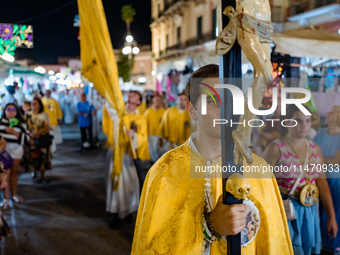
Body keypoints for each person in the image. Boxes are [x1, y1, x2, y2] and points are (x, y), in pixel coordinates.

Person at [132, 64, 293, 254]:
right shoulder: (164, 172)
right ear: (192, 110)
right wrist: (208, 227)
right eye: (213, 101)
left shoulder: (259, 169)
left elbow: (274, 244)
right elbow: (149, 247)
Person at [262, 104, 337, 255]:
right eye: (298, 121)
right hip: (285, 209)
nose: (304, 126)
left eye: (307, 121)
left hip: (309, 212)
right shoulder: (276, 148)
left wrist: (331, 218)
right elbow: (261, 184)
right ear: (287, 122)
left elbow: (322, 183)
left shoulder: (315, 149)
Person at [106, 91, 149, 229]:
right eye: (131, 94)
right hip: (117, 153)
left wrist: (134, 135)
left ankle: (129, 211)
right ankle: (117, 213)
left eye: (136, 95)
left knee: (130, 184)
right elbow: (109, 113)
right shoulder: (119, 112)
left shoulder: (140, 118)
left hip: (130, 156)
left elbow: (143, 137)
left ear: (139, 102)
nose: (132, 95)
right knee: (117, 183)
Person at [313, 105, 340, 254]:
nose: (328, 112)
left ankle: (334, 247)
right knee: (319, 216)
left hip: (336, 184)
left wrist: (316, 158)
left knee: (333, 215)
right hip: (319, 180)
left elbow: (337, 162)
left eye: (334, 111)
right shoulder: (320, 133)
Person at [0, 104, 29, 209]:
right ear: (5, 111)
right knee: (4, 175)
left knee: (14, 173)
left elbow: (26, 138)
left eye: (14, 109)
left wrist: (13, 132)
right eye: (9, 109)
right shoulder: (0, 122)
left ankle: (14, 194)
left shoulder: (21, 123)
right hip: (3, 152)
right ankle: (6, 198)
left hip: (16, 150)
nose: (11, 111)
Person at [26, 97, 51, 183]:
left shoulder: (44, 115)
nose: (33, 105)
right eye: (32, 103)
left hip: (42, 139)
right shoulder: (27, 114)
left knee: (43, 156)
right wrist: (30, 135)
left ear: (39, 105)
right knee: (32, 156)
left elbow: (46, 127)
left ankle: (43, 175)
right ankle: (34, 171)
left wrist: (37, 133)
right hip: (31, 140)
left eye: (35, 103)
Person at [143, 94, 165, 163]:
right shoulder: (148, 112)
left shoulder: (163, 111)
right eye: (156, 100)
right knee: (152, 152)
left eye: (159, 100)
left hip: (161, 135)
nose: (158, 102)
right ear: (153, 102)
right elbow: (144, 124)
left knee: (161, 151)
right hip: (151, 135)